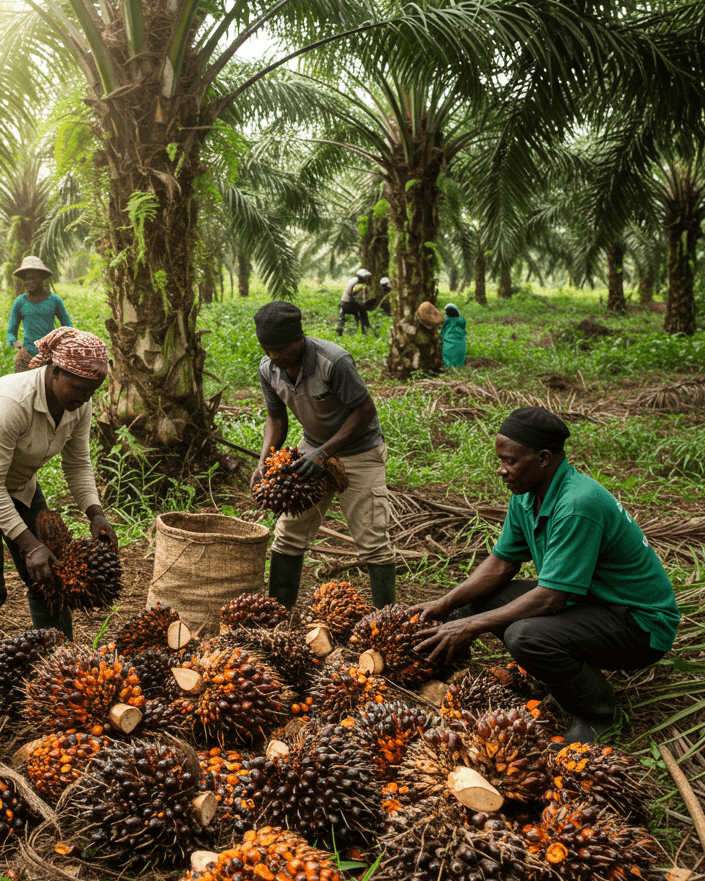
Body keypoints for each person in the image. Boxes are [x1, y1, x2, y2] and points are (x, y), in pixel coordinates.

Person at [412, 407, 680, 746]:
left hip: (638, 624)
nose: (501, 470)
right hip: (590, 602)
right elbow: (501, 563)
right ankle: (552, 672)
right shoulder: (527, 494)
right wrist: (445, 603)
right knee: (483, 598)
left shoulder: (578, 503)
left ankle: (597, 713)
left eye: (510, 461)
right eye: (500, 460)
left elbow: (551, 597)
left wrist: (467, 626)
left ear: (543, 458)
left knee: (525, 635)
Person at [0, 327, 118, 674]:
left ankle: (62, 667)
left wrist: (95, 514)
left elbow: (77, 462)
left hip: (18, 481)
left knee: (52, 573)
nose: (84, 398)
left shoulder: (77, 402)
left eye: (91, 392)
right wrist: (28, 544)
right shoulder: (14, 402)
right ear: (54, 371)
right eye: (79, 388)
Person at [251, 301, 396, 610]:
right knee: (288, 534)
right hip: (311, 446)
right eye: (267, 349)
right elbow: (276, 419)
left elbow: (365, 411)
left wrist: (325, 452)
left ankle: (388, 620)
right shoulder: (269, 368)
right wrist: (264, 460)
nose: (274, 356)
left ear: (299, 339)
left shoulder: (333, 362)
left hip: (359, 451)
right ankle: (279, 617)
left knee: (372, 542)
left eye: (281, 350)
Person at [7, 256, 72, 371]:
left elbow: (67, 325)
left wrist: (62, 342)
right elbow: (11, 331)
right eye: (27, 279)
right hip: (27, 354)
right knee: (23, 386)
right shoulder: (19, 302)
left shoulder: (54, 301)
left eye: (33, 279)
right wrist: (14, 342)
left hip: (50, 354)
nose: (29, 282)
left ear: (41, 279)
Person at [335, 268, 371, 336]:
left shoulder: (353, 280)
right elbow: (351, 295)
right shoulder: (356, 283)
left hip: (343, 303)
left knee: (359, 310)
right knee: (363, 310)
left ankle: (341, 326)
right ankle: (365, 329)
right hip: (348, 303)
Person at [441, 303, 467, 368]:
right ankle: (459, 364)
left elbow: (443, 332)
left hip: (448, 341)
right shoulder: (462, 320)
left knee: (448, 352)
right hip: (460, 342)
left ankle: (449, 365)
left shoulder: (446, 321)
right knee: (459, 351)